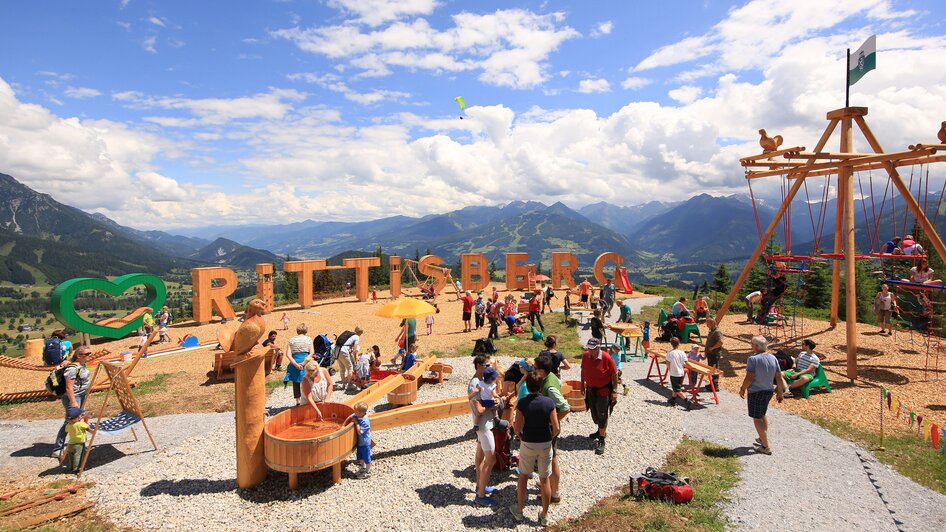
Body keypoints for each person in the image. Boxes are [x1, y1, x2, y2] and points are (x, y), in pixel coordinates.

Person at [509, 375, 560, 526]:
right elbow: (556, 428)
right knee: (544, 480)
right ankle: (544, 515)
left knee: (523, 476)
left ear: (527, 385)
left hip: (528, 442)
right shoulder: (549, 402)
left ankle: (519, 511)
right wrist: (549, 438)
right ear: (540, 386)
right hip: (545, 443)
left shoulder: (523, 403)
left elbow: (517, 427)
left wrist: (521, 436)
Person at [532, 354, 570, 503]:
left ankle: (554, 493)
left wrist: (553, 423)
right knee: (547, 459)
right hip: (548, 427)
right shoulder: (552, 376)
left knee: (552, 460)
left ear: (541, 371)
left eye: (535, 369)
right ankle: (548, 484)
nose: (533, 371)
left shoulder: (550, 386)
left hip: (549, 429)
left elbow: (565, 407)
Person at [739, 336, 786, 455]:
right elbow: (779, 377)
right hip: (768, 391)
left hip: (756, 391)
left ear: (756, 346)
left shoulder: (753, 359)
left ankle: (765, 446)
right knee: (762, 414)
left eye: (752, 344)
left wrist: (742, 388)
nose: (751, 345)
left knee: (756, 418)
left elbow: (749, 377)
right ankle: (762, 437)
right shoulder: (773, 358)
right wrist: (780, 392)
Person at [469, 354, 498, 506]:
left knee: (480, 456)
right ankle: (480, 495)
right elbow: (479, 409)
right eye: (487, 365)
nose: (490, 367)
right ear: (480, 367)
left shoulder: (482, 382)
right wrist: (493, 406)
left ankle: (481, 485)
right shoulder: (475, 384)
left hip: (486, 424)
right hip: (483, 426)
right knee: (490, 458)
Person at [580, 338, 618, 455]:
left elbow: (614, 374)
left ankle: (601, 439)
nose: (590, 351)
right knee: (594, 415)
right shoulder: (586, 356)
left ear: (598, 348)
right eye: (589, 348)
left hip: (603, 391)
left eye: (592, 349)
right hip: (591, 390)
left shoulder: (606, 358)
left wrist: (615, 391)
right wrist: (582, 386)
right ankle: (600, 430)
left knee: (602, 414)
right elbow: (583, 371)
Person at [52, 347, 92, 457]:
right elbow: (69, 388)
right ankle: (58, 449)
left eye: (90, 353)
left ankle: (80, 445)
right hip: (74, 397)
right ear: (79, 356)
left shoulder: (81, 365)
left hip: (81, 395)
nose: (89, 355)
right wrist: (73, 402)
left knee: (81, 420)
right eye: (87, 353)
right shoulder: (72, 369)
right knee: (70, 421)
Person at [284, 324, 313, 405]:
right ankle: (308, 398)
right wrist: (303, 363)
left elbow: (288, 355)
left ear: (297, 330)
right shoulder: (309, 339)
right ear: (306, 330)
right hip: (306, 362)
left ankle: (298, 401)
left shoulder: (291, 340)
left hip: (295, 361)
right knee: (308, 381)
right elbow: (311, 353)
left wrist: (296, 364)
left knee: (296, 382)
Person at [344, 401, 372, 479]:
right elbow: (350, 416)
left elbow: (360, 432)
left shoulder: (365, 422)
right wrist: (343, 425)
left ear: (361, 413)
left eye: (356, 412)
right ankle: (363, 469)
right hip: (360, 442)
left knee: (367, 458)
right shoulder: (357, 415)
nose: (354, 413)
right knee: (360, 457)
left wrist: (356, 423)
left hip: (365, 442)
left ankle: (368, 471)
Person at [665, 338, 691, 410]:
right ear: (679, 344)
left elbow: (667, 362)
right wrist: (692, 367)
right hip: (681, 373)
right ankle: (673, 399)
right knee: (675, 386)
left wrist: (670, 369)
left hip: (674, 373)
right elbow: (686, 362)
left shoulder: (669, 353)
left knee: (677, 389)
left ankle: (687, 400)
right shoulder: (682, 352)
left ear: (671, 344)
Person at [62, 407, 89, 473]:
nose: (81, 417)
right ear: (77, 418)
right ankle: (76, 468)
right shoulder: (80, 424)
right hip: (79, 444)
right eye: (80, 416)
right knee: (78, 456)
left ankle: (71, 467)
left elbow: (66, 430)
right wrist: (83, 421)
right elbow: (87, 427)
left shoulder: (68, 425)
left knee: (71, 456)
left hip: (70, 444)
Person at [704, 318, 723, 390]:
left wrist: (712, 348)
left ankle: (715, 385)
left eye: (708, 324)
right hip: (710, 354)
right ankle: (712, 384)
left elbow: (720, 342)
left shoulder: (717, 332)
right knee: (711, 369)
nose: (707, 326)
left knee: (715, 369)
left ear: (712, 323)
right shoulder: (711, 331)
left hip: (714, 354)